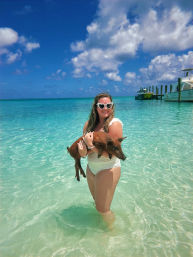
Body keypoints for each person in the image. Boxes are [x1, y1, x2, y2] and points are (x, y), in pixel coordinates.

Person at [77, 92, 124, 226]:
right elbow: (85, 153)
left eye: (108, 105)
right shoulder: (88, 125)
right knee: (97, 204)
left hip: (108, 169)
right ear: (95, 107)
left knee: (103, 210)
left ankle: (112, 234)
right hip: (91, 169)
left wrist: (91, 145)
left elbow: (114, 152)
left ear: (112, 106)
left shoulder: (114, 124)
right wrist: (82, 152)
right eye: (101, 105)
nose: (105, 108)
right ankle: (100, 228)